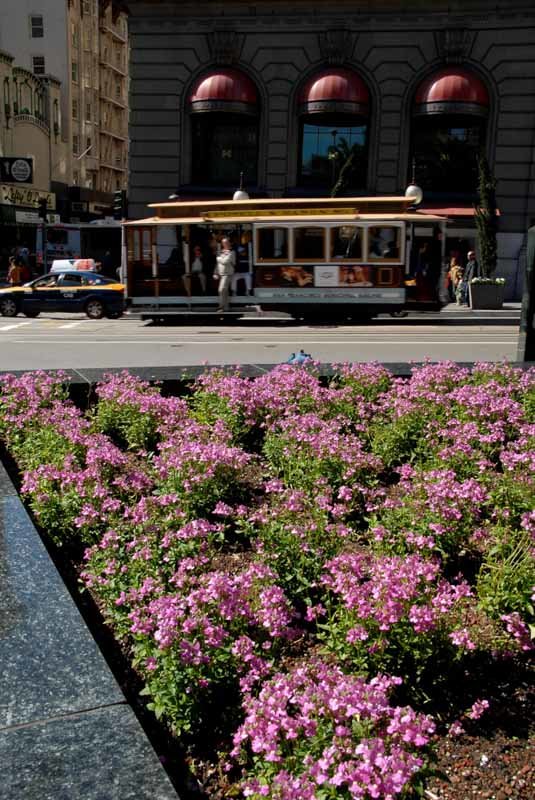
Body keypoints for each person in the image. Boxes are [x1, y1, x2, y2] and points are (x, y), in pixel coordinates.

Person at [213, 237, 235, 311]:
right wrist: (215, 272)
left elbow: (225, 261)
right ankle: (226, 307)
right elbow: (217, 264)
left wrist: (218, 257)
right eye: (223, 243)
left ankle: (221, 306)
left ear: (229, 243)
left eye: (226, 242)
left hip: (227, 274)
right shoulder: (221, 252)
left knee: (221, 289)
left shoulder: (232, 252)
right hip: (221, 273)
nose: (224, 244)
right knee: (225, 291)